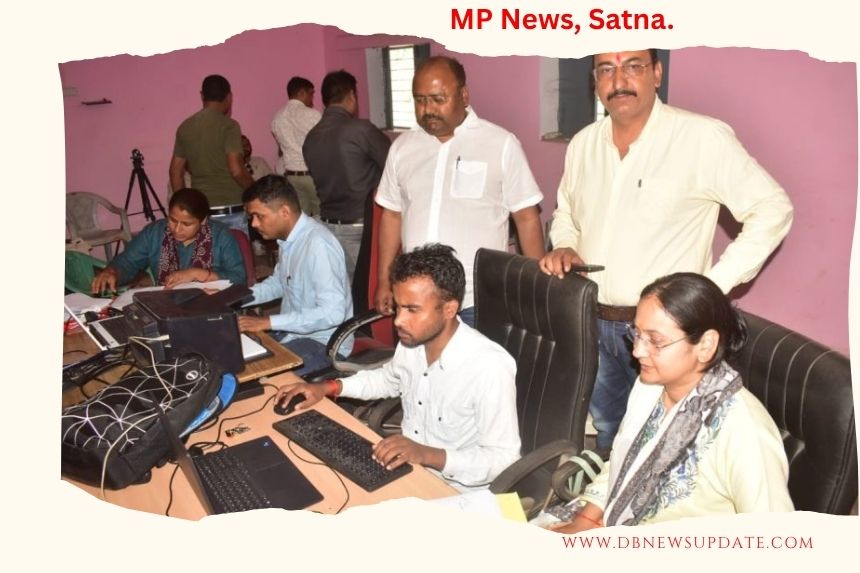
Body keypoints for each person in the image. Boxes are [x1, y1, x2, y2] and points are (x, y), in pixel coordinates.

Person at [539, 50, 794, 450]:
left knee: (668, 442)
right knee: (610, 433)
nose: (619, 80)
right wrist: (566, 244)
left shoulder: (700, 138)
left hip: (669, 336)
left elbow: (773, 209)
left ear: (656, 73)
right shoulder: (584, 144)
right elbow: (567, 212)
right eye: (606, 69)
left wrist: (708, 290)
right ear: (594, 79)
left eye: (633, 66)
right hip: (593, 321)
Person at [543, 273, 793, 532]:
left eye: (656, 341)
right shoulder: (650, 386)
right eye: (636, 334)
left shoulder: (744, 431)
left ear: (706, 345)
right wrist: (584, 521)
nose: (637, 351)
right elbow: (623, 462)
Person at [275, 243, 521, 492]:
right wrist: (328, 387)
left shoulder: (488, 366)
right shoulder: (413, 341)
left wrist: (426, 454)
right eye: (398, 307)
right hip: (410, 471)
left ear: (449, 309)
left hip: (458, 492)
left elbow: (503, 460)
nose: (399, 321)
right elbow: (388, 379)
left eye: (412, 309)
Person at [374, 56, 545, 327]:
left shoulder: (500, 144)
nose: (428, 109)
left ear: (464, 95)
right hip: (415, 300)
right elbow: (392, 216)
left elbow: (526, 218)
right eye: (420, 100)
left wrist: (536, 289)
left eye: (438, 99)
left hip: (479, 302)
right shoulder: (402, 148)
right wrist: (384, 280)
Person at [237, 174, 353, 375]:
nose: (254, 224)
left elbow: (332, 313)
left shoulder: (318, 245)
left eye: (259, 216)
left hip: (324, 343)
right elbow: (278, 284)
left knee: (261, 374)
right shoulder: (288, 240)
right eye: (251, 218)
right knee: (235, 354)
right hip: (292, 333)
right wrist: (234, 297)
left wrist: (268, 322)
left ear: (284, 211)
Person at [303, 69, 391, 286]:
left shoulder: (311, 138)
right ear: (351, 95)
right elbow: (394, 167)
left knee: (342, 292)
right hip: (362, 226)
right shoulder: (361, 130)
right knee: (372, 290)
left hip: (328, 226)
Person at [91, 187, 246, 293]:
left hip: (212, 304)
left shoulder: (221, 236)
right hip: (168, 303)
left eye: (186, 224)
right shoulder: (154, 233)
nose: (177, 229)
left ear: (203, 220)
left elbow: (239, 278)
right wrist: (112, 272)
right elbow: (127, 261)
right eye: (172, 220)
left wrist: (197, 274)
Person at [169, 74, 254, 233]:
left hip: (202, 213)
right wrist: (255, 190)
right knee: (238, 249)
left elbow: (175, 172)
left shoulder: (185, 127)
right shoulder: (229, 126)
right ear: (229, 97)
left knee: (207, 250)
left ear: (202, 95)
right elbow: (236, 170)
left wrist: (187, 207)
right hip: (232, 210)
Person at [271, 76, 322, 216]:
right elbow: (323, 144)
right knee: (322, 217)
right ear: (301, 93)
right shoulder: (312, 114)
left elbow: (281, 149)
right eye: (311, 94)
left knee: (301, 219)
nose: (312, 99)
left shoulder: (277, 118)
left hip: (291, 176)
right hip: (312, 174)